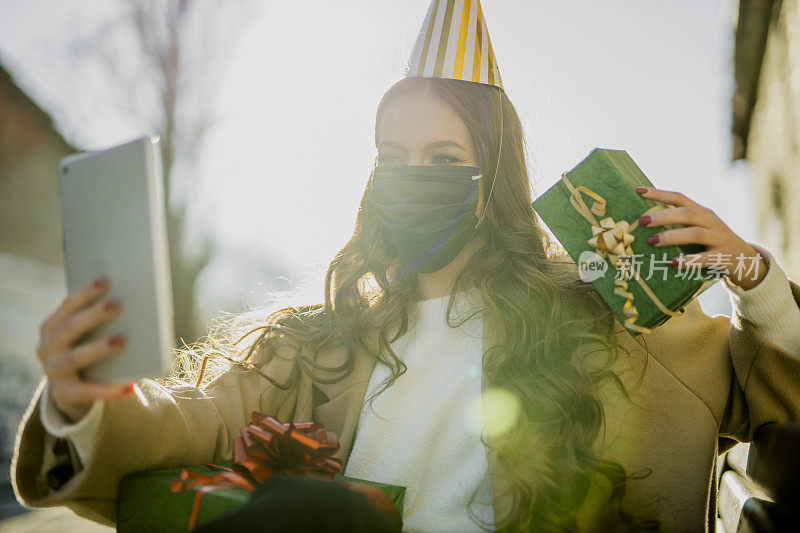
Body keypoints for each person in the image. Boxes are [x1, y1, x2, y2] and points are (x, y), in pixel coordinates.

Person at [11, 1, 800, 531]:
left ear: (494, 178)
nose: (410, 175)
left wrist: (752, 278)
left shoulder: (611, 322)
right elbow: (197, 418)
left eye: (443, 156)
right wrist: (85, 405)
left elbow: (771, 398)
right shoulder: (312, 344)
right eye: (393, 156)